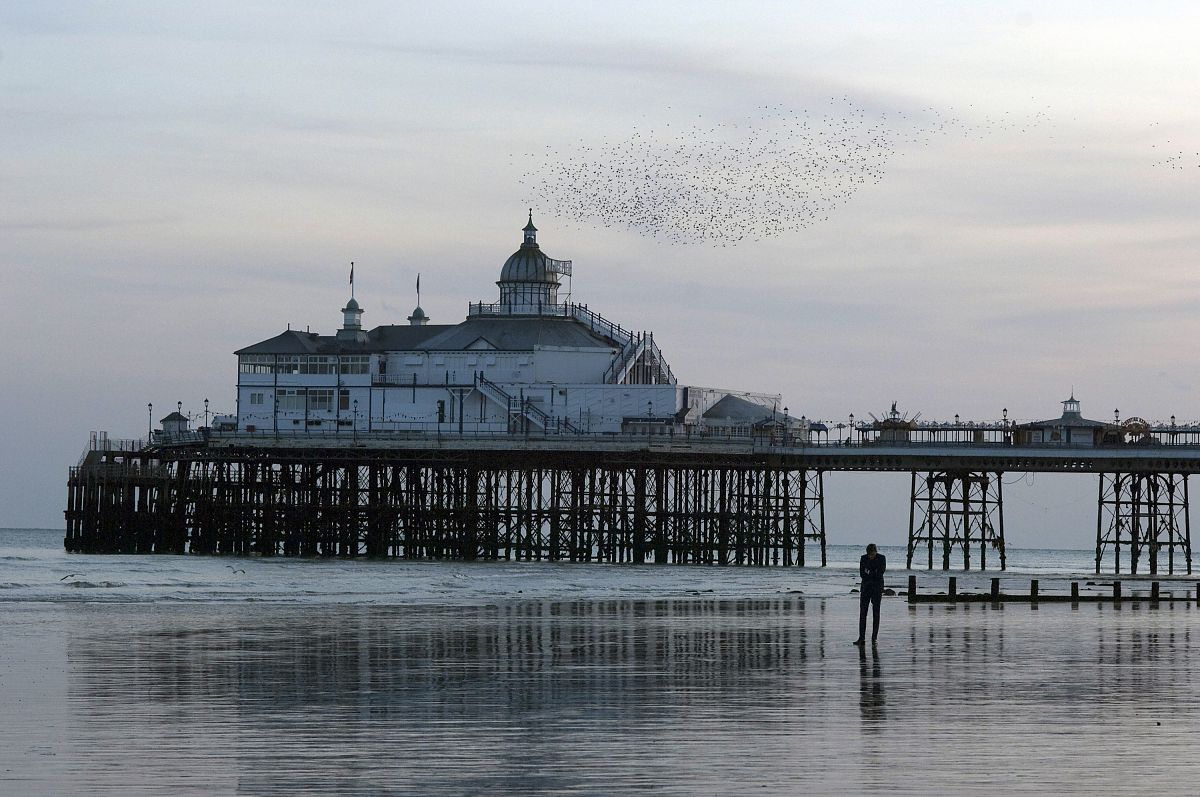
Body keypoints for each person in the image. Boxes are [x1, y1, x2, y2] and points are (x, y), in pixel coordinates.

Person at [854, 543, 886, 646]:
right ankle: (861, 638)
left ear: (876, 552)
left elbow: (881, 572)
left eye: (872, 555)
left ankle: (874, 638)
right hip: (866, 588)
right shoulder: (863, 558)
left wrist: (869, 572)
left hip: (877, 588)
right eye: (869, 555)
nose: (870, 557)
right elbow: (862, 574)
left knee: (876, 613)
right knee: (863, 613)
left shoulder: (882, 558)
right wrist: (872, 572)